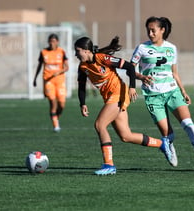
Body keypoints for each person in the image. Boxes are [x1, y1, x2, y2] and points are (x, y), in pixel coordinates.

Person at [74, 36, 173, 176]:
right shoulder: (83, 67)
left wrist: (132, 87)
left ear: (86, 51)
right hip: (109, 98)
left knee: (99, 125)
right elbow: (82, 86)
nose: (75, 54)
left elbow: (129, 67)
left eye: (77, 51)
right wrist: (82, 104)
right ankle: (162, 144)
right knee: (126, 136)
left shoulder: (103, 59)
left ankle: (109, 165)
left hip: (119, 94)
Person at [131, 16, 194, 171]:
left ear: (162, 30)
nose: (150, 33)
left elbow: (174, 72)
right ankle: (168, 145)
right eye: (148, 30)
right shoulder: (142, 48)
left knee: (189, 125)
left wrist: (183, 91)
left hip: (172, 91)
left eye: (153, 30)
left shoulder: (171, 48)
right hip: (153, 96)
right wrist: (141, 76)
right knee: (168, 134)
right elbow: (131, 69)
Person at [33, 34, 69, 132]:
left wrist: (59, 72)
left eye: (53, 41)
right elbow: (39, 66)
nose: (52, 43)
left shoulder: (61, 52)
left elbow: (66, 67)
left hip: (60, 81)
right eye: (50, 41)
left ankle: (56, 118)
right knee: (53, 103)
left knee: (61, 105)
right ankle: (55, 125)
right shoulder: (43, 52)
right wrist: (35, 78)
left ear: (57, 42)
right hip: (48, 81)